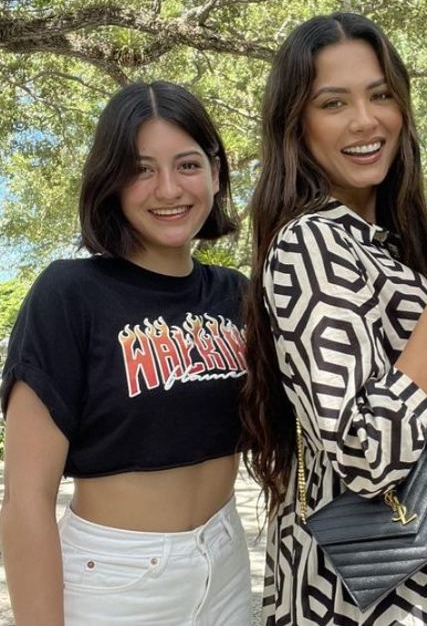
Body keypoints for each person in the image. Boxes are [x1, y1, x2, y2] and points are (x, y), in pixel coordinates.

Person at [241, 12, 427, 625]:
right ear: (297, 124)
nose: (365, 121)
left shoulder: (384, 244)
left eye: (380, 95)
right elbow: (367, 453)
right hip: (371, 595)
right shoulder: (310, 244)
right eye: (333, 103)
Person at [0, 81, 252, 625]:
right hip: (117, 578)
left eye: (187, 165)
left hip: (226, 560)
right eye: (141, 169)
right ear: (110, 181)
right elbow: (26, 501)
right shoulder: (69, 293)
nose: (168, 189)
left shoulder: (235, 293)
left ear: (213, 172)